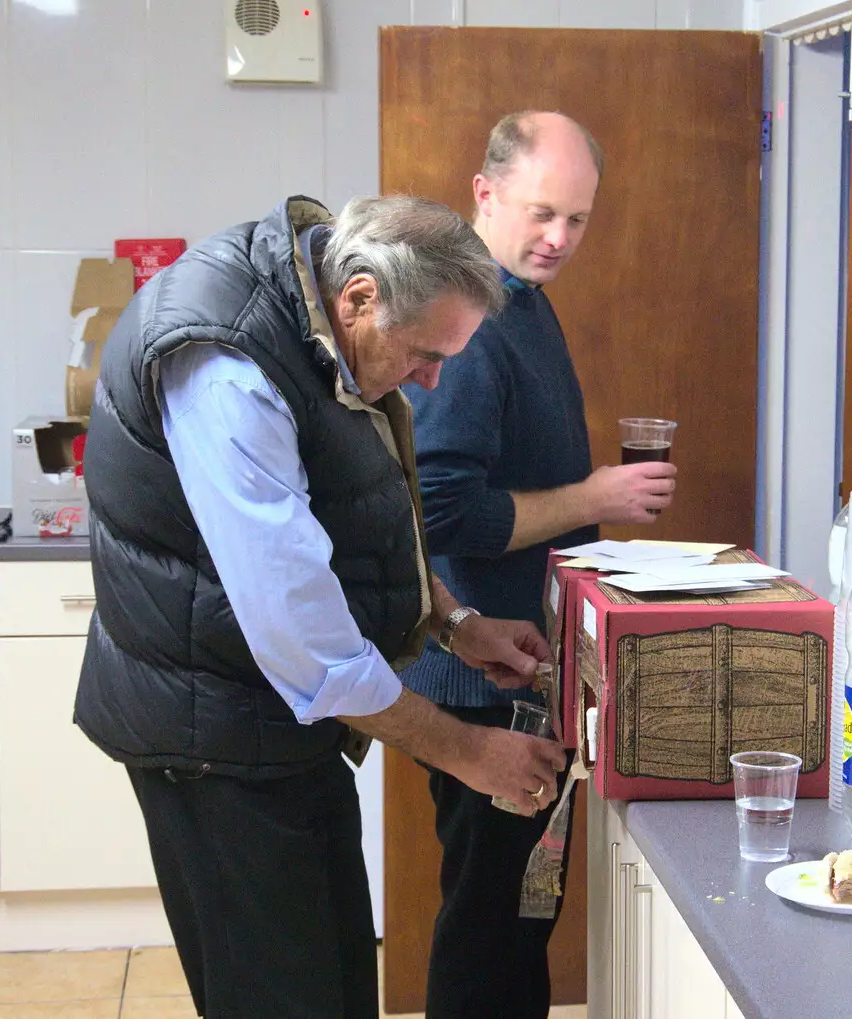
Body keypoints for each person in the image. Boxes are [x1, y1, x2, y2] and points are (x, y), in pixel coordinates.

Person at [74, 194, 568, 1019]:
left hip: (283, 725)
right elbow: (300, 627)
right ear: (361, 297)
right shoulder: (227, 367)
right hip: (212, 742)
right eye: (423, 354)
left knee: (338, 992)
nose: (433, 377)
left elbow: (353, 519)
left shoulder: (318, 320)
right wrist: (468, 752)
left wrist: (453, 622)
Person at [402, 112, 677, 1019]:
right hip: (481, 680)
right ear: (484, 193)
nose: (560, 237)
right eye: (542, 212)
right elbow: (438, 509)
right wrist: (592, 496)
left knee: (522, 915)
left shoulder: (522, 294)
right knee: (491, 923)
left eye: (579, 219)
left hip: (526, 669)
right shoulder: (471, 322)